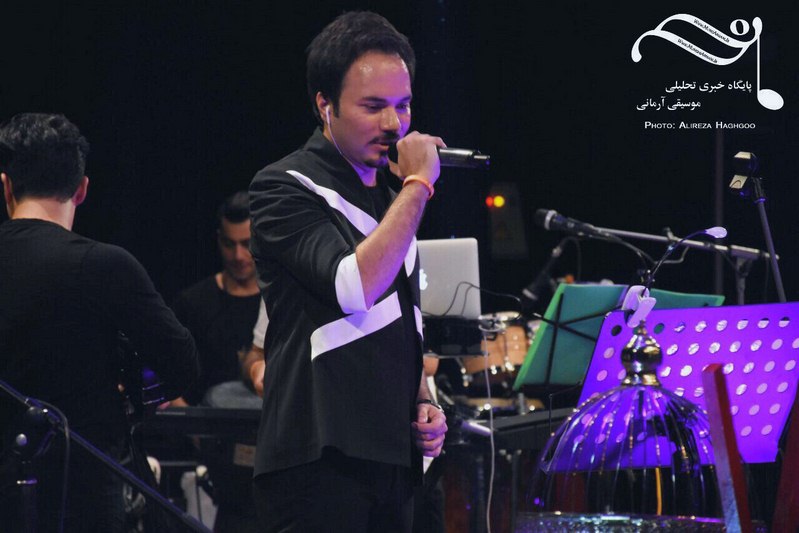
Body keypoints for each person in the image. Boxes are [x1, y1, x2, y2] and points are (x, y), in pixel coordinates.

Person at [249, 11, 448, 532]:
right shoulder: (284, 185)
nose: (394, 124)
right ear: (325, 105)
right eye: (374, 106)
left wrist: (422, 399)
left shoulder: (393, 195)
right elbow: (355, 288)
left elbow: (399, 317)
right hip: (319, 460)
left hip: (393, 459)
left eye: (403, 105)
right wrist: (418, 187)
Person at [0, 112, 199, 531]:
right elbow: (182, 366)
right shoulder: (106, 266)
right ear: (82, 188)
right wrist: (127, 396)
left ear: (6, 186)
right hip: (83, 494)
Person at [172, 190, 262, 407]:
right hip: (205, 421)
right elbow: (167, 373)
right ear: (218, 239)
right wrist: (191, 424)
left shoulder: (278, 299)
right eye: (229, 244)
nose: (238, 256)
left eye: (247, 243)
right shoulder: (193, 302)